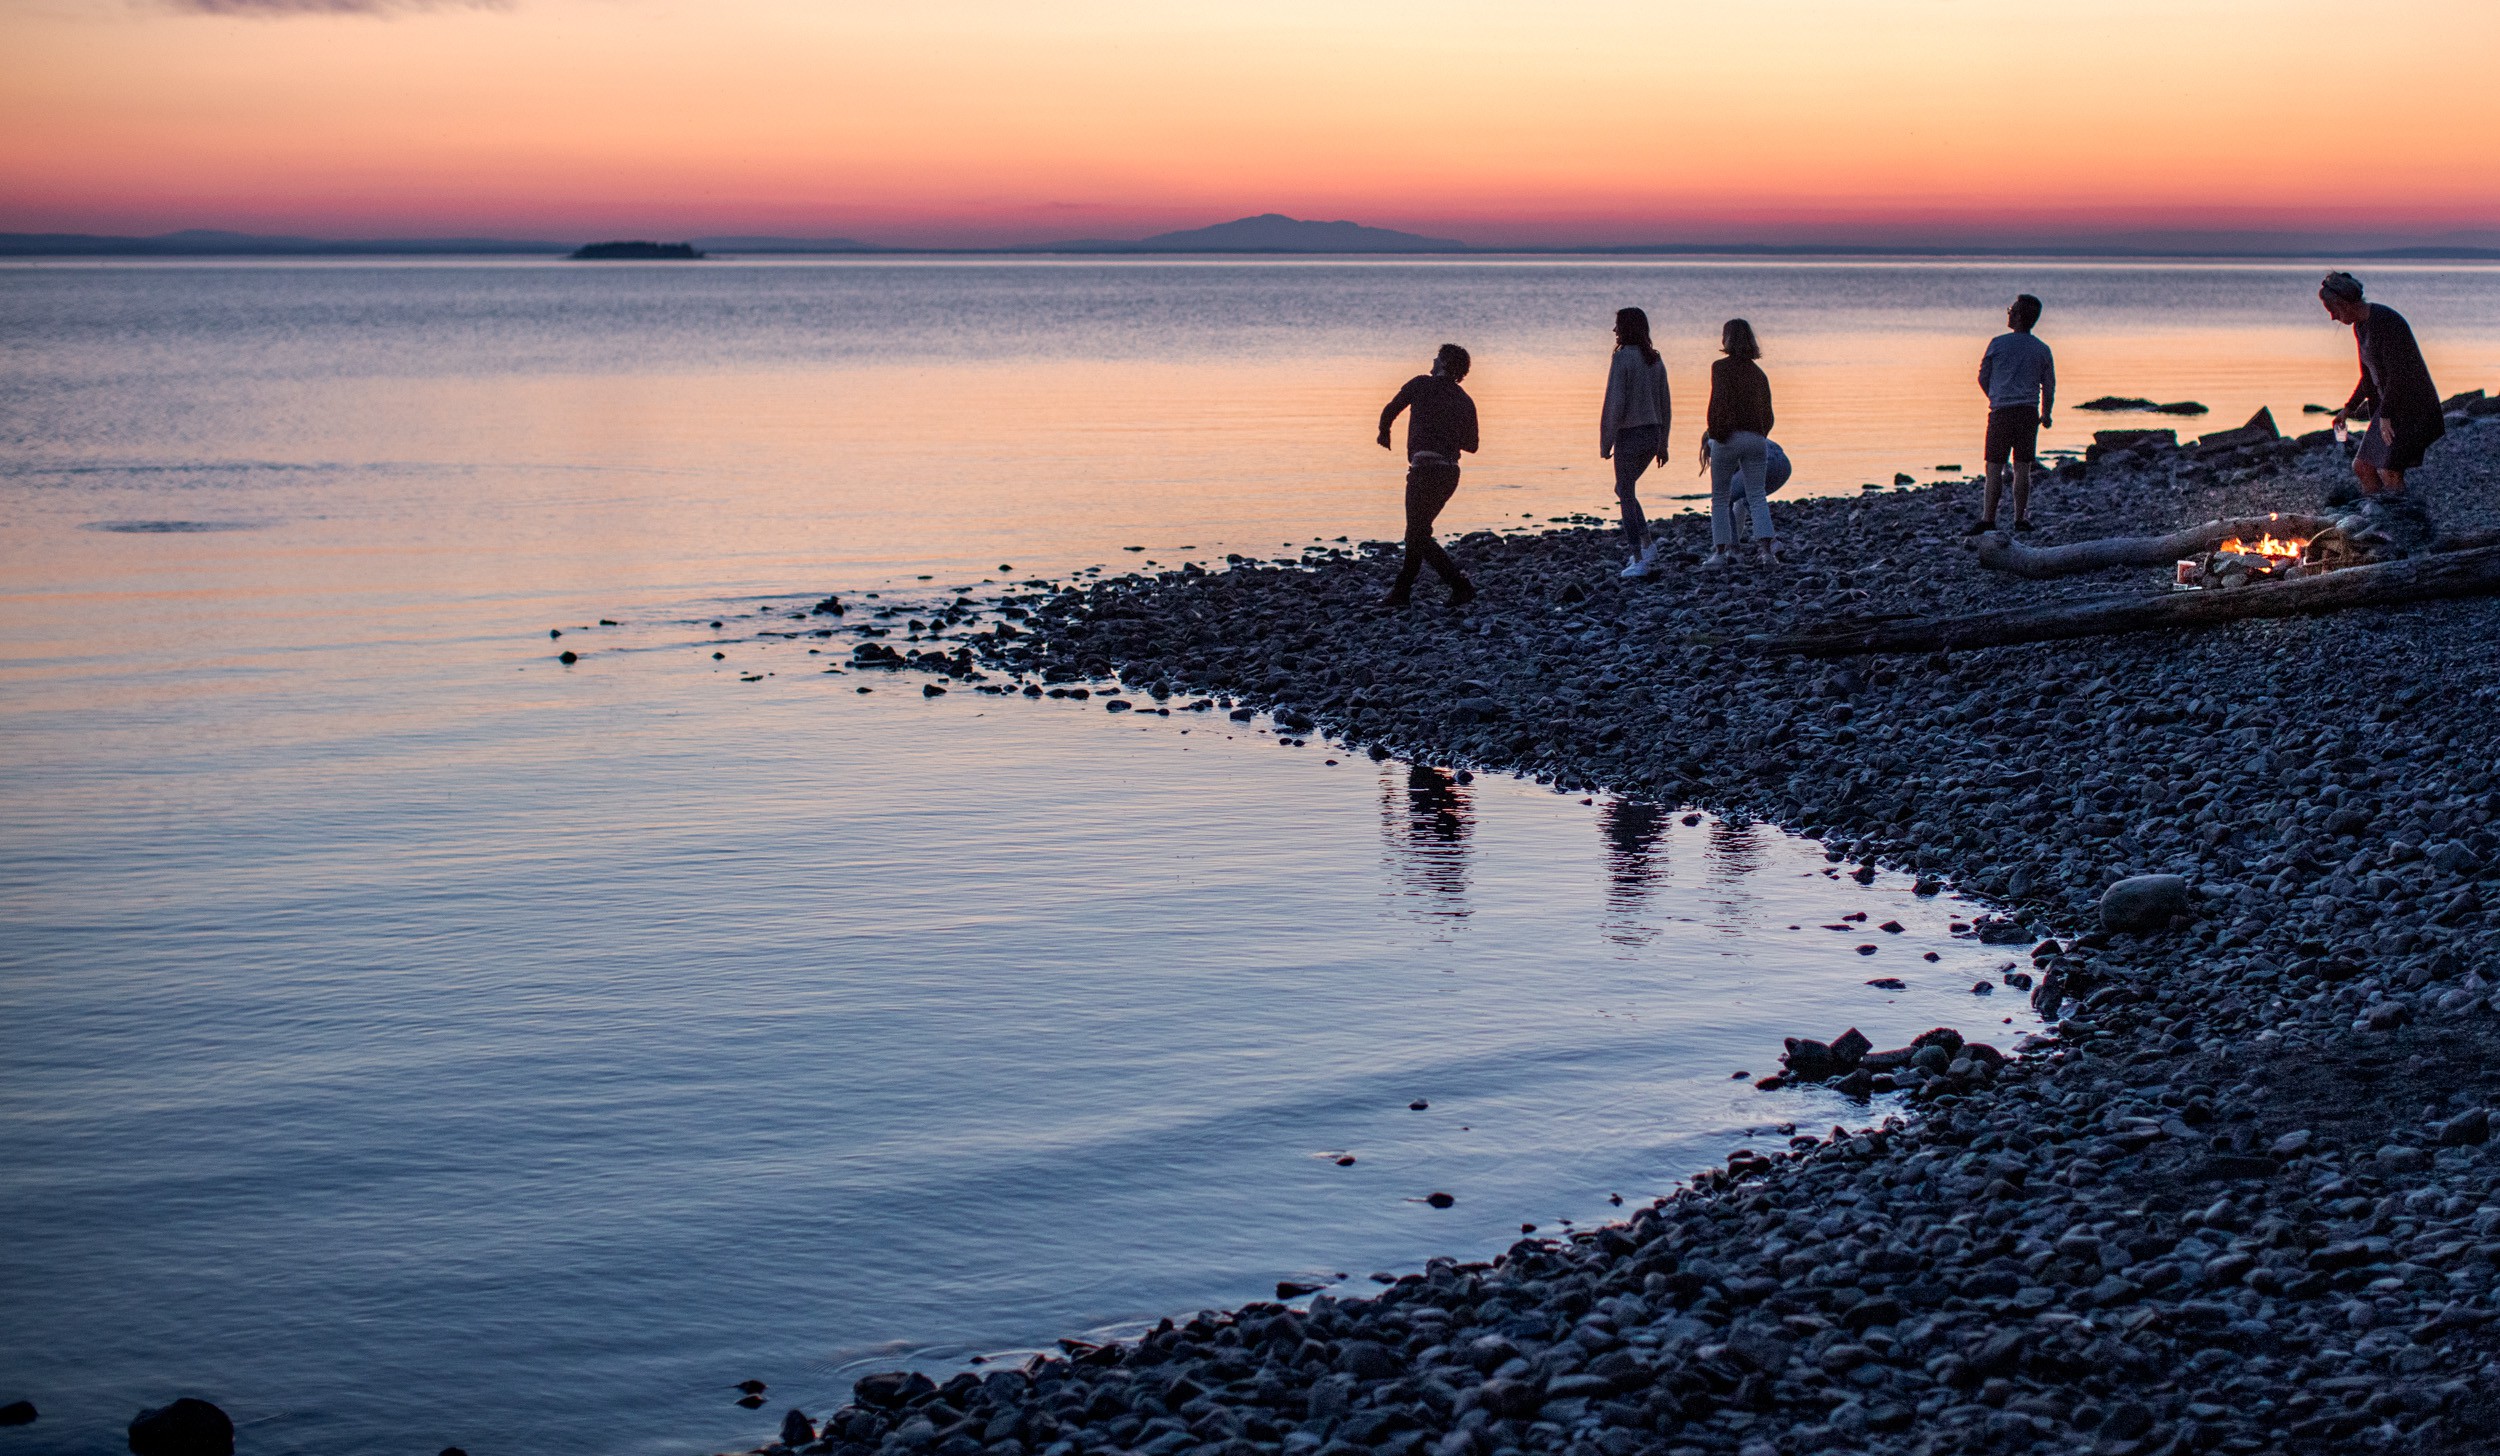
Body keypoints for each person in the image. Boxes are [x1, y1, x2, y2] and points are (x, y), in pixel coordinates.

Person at [2323, 271, 2444, 498]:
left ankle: (2403, 521)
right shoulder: (2360, 327)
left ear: (2344, 304)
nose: (2332, 318)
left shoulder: (2386, 321)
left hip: (2414, 408)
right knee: (2362, 466)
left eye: (2333, 311)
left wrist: (2386, 415)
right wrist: (2348, 409)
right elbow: (2369, 377)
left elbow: (2399, 373)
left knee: (2390, 469)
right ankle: (2378, 518)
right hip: (2389, 407)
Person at [1375, 343, 1479, 607]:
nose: (1432, 361)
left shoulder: (1420, 384)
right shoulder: (1464, 400)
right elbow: (1472, 445)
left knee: (1416, 535)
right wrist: (1447, 430)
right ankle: (1403, 593)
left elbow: (1391, 409)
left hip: (1424, 472)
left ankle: (1457, 585)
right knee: (1418, 533)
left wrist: (1384, 432)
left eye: (1436, 358)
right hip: (1449, 475)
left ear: (1443, 363)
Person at [1969, 293, 2056, 534]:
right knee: (2022, 467)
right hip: (2028, 412)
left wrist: (1995, 396)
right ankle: (2020, 518)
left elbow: (1983, 377)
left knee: (1994, 466)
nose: (2008, 313)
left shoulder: (1997, 343)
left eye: (2011, 310)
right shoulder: (2041, 349)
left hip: (2001, 411)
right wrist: (2046, 413)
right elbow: (2048, 384)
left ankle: (1988, 518)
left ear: (2017, 317)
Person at [1599, 307, 1672, 578]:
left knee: (1626, 493)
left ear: (1626, 328)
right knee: (1623, 488)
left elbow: (1615, 402)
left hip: (1630, 434)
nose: (1614, 330)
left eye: (1617, 325)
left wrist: (1606, 440)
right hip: (1653, 433)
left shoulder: (1622, 359)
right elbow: (1665, 404)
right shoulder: (1655, 360)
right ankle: (1647, 544)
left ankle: (1639, 557)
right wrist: (1663, 442)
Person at [1698, 318, 1776, 567]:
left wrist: (1715, 434)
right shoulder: (1758, 373)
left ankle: (1721, 553)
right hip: (1755, 438)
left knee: (1720, 497)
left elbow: (1717, 403)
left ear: (1727, 339)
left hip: (1728, 438)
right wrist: (1760, 433)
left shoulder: (1720, 368)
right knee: (1757, 495)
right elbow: (1768, 413)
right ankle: (1766, 553)